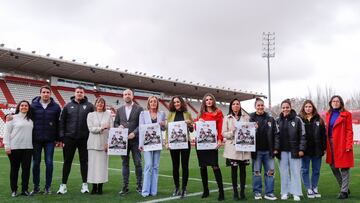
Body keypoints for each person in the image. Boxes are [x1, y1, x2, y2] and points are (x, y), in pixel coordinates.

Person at [57, 86, 94, 194]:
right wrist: (62, 137)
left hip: (84, 139)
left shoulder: (90, 106)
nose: (79, 93)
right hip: (69, 138)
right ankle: (63, 185)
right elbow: (61, 122)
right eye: (77, 92)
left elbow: (94, 120)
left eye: (81, 92)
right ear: (74, 93)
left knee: (84, 162)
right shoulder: (68, 106)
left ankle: (85, 185)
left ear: (84, 93)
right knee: (67, 162)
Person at [30, 85, 61, 195]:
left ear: (50, 94)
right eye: (43, 92)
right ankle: (36, 186)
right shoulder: (33, 106)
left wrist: (58, 138)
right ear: (40, 93)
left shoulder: (56, 107)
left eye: (47, 92)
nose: (45, 94)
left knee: (49, 163)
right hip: (36, 139)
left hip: (50, 140)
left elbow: (58, 124)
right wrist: (11, 116)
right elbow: (24, 116)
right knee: (35, 163)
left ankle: (48, 187)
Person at [274, 99, 306, 201]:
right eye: (283, 107)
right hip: (282, 151)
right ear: (281, 108)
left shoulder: (297, 120)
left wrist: (301, 149)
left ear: (290, 107)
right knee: (284, 173)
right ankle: (285, 192)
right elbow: (275, 136)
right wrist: (276, 149)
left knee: (295, 172)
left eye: (287, 107)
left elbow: (303, 135)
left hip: (295, 151)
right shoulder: (277, 120)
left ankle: (296, 193)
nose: (285, 109)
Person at [114, 89, 144, 195]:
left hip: (135, 140)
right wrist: (119, 126)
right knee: (124, 164)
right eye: (125, 94)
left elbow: (141, 124)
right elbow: (115, 123)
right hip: (123, 142)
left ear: (132, 96)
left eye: (129, 94)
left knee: (138, 163)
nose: (127, 95)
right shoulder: (119, 109)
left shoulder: (140, 108)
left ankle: (139, 186)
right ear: (123, 96)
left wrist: (134, 133)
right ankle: (125, 187)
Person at [196, 93, 225, 201]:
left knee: (215, 166)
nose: (208, 101)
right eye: (206, 99)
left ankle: (221, 191)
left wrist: (219, 139)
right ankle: (205, 190)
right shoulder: (200, 114)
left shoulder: (218, 112)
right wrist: (197, 122)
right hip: (201, 144)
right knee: (202, 167)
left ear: (213, 101)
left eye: (210, 99)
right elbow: (195, 127)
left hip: (212, 144)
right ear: (204, 101)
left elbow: (220, 127)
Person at [325, 95, 354, 199]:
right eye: (333, 101)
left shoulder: (347, 114)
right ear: (331, 103)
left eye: (337, 101)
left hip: (342, 143)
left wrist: (348, 145)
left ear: (341, 103)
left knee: (344, 168)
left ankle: (344, 192)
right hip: (330, 143)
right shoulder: (328, 114)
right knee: (333, 166)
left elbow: (349, 131)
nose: (335, 103)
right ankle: (344, 187)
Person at [165, 96, 194, 198]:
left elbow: (191, 130)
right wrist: (167, 142)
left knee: (185, 166)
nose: (176, 103)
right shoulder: (170, 114)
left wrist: (190, 124)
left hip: (186, 143)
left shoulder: (187, 114)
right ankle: (177, 187)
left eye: (178, 102)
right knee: (175, 166)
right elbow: (168, 130)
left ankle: (184, 188)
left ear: (181, 102)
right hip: (174, 144)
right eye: (174, 102)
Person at [222, 98, 251, 200]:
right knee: (234, 171)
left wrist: (253, 128)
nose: (235, 105)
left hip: (243, 147)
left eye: (237, 104)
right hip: (232, 148)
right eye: (233, 104)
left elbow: (249, 130)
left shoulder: (246, 117)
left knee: (243, 171)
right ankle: (235, 192)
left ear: (240, 105)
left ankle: (242, 192)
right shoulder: (227, 118)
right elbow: (223, 133)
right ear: (231, 106)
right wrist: (232, 132)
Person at [249, 98, 277, 201]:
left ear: (263, 106)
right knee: (256, 173)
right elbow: (247, 134)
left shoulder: (270, 118)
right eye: (258, 105)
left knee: (270, 172)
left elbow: (276, 134)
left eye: (262, 105)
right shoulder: (251, 118)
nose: (260, 107)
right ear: (255, 106)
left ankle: (269, 193)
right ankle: (257, 192)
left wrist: (275, 148)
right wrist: (253, 129)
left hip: (268, 151)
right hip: (257, 151)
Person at [4, 100, 33, 197]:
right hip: (15, 148)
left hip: (28, 148)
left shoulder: (31, 119)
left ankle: (25, 190)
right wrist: (7, 146)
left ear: (28, 108)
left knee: (26, 170)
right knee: (14, 169)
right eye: (22, 105)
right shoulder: (12, 118)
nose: (24, 107)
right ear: (18, 107)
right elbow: (7, 132)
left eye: (26, 105)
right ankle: (14, 190)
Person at [139, 96, 166, 197]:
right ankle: (145, 191)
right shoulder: (143, 113)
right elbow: (141, 128)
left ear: (157, 103)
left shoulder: (162, 113)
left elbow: (163, 129)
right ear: (148, 103)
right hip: (146, 144)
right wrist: (140, 144)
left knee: (155, 166)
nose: (153, 103)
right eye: (151, 101)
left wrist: (163, 124)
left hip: (157, 143)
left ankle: (153, 191)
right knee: (148, 165)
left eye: (155, 101)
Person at [299, 100, 326, 199]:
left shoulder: (319, 119)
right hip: (305, 150)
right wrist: (299, 149)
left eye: (310, 106)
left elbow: (323, 135)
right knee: (305, 170)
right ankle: (308, 188)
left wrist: (324, 148)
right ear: (303, 108)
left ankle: (314, 187)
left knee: (316, 170)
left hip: (317, 150)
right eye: (306, 107)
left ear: (313, 108)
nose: (308, 108)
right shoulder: (299, 119)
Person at [87, 97, 113, 195]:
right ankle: (94, 187)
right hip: (93, 144)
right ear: (95, 104)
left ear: (104, 104)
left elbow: (112, 129)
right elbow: (91, 128)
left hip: (104, 144)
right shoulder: (90, 115)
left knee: (102, 167)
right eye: (98, 102)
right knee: (93, 166)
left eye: (102, 102)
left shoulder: (108, 114)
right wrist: (102, 128)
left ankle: (100, 187)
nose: (100, 104)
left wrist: (109, 143)